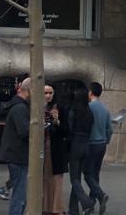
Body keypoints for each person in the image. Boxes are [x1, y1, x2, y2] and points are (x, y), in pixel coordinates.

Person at [0, 77, 31, 215]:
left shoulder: (18, 106)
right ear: (29, 91)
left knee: (20, 195)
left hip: (16, 154)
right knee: (19, 196)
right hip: (17, 155)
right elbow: (24, 131)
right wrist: (39, 127)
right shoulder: (20, 108)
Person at [85, 82, 113, 215]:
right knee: (95, 174)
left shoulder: (88, 107)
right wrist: (106, 140)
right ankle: (91, 203)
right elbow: (110, 129)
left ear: (90, 92)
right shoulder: (105, 109)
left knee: (87, 174)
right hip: (102, 144)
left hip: (91, 143)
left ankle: (101, 195)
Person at [68, 86, 95, 214]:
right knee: (77, 177)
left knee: (74, 178)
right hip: (86, 145)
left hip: (76, 145)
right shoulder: (89, 112)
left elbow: (70, 129)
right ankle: (73, 209)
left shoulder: (74, 110)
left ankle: (86, 202)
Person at [44, 84, 69, 215]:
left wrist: (57, 121)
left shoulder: (61, 108)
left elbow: (67, 130)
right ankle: (45, 206)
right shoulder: (38, 107)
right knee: (44, 178)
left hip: (56, 148)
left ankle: (57, 208)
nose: (48, 96)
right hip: (42, 147)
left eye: (50, 93)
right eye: (45, 93)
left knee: (57, 179)